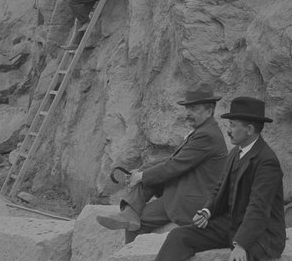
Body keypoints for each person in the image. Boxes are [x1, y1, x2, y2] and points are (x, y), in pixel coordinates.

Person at [146, 96, 287, 261]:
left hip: (258, 232)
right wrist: (207, 210)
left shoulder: (267, 161)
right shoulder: (236, 152)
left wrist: (241, 244)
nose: (228, 130)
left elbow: (258, 208)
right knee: (179, 236)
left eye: (232, 125)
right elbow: (220, 187)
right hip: (230, 223)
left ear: (250, 129)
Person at [96, 85, 229, 243]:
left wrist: (141, 176)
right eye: (188, 109)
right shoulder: (203, 131)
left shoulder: (207, 135)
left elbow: (175, 165)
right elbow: (172, 159)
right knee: (146, 178)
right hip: (181, 191)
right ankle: (129, 213)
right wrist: (140, 171)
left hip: (190, 202)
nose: (188, 113)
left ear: (209, 110)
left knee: (139, 222)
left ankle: (130, 254)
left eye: (194, 109)